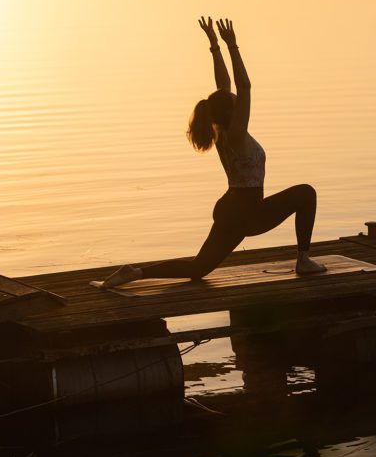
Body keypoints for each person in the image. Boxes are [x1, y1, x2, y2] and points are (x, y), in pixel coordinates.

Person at [101, 17, 326, 288]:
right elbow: (244, 87)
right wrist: (234, 46)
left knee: (198, 268)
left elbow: (225, 87)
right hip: (247, 212)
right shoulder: (238, 135)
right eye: (234, 102)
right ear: (233, 111)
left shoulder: (220, 131)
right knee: (306, 193)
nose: (235, 98)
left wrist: (215, 46)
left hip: (230, 207)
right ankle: (304, 260)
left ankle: (135, 273)